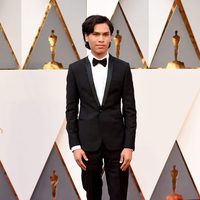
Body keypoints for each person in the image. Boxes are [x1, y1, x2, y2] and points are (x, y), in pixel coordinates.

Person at [66, 15, 137, 200]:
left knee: (119, 194)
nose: (101, 39)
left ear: (110, 37)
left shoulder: (123, 68)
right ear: (86, 37)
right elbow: (71, 110)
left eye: (106, 34)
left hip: (118, 144)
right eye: (96, 34)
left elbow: (130, 110)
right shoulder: (75, 69)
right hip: (87, 144)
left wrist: (129, 145)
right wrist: (75, 145)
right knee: (92, 194)